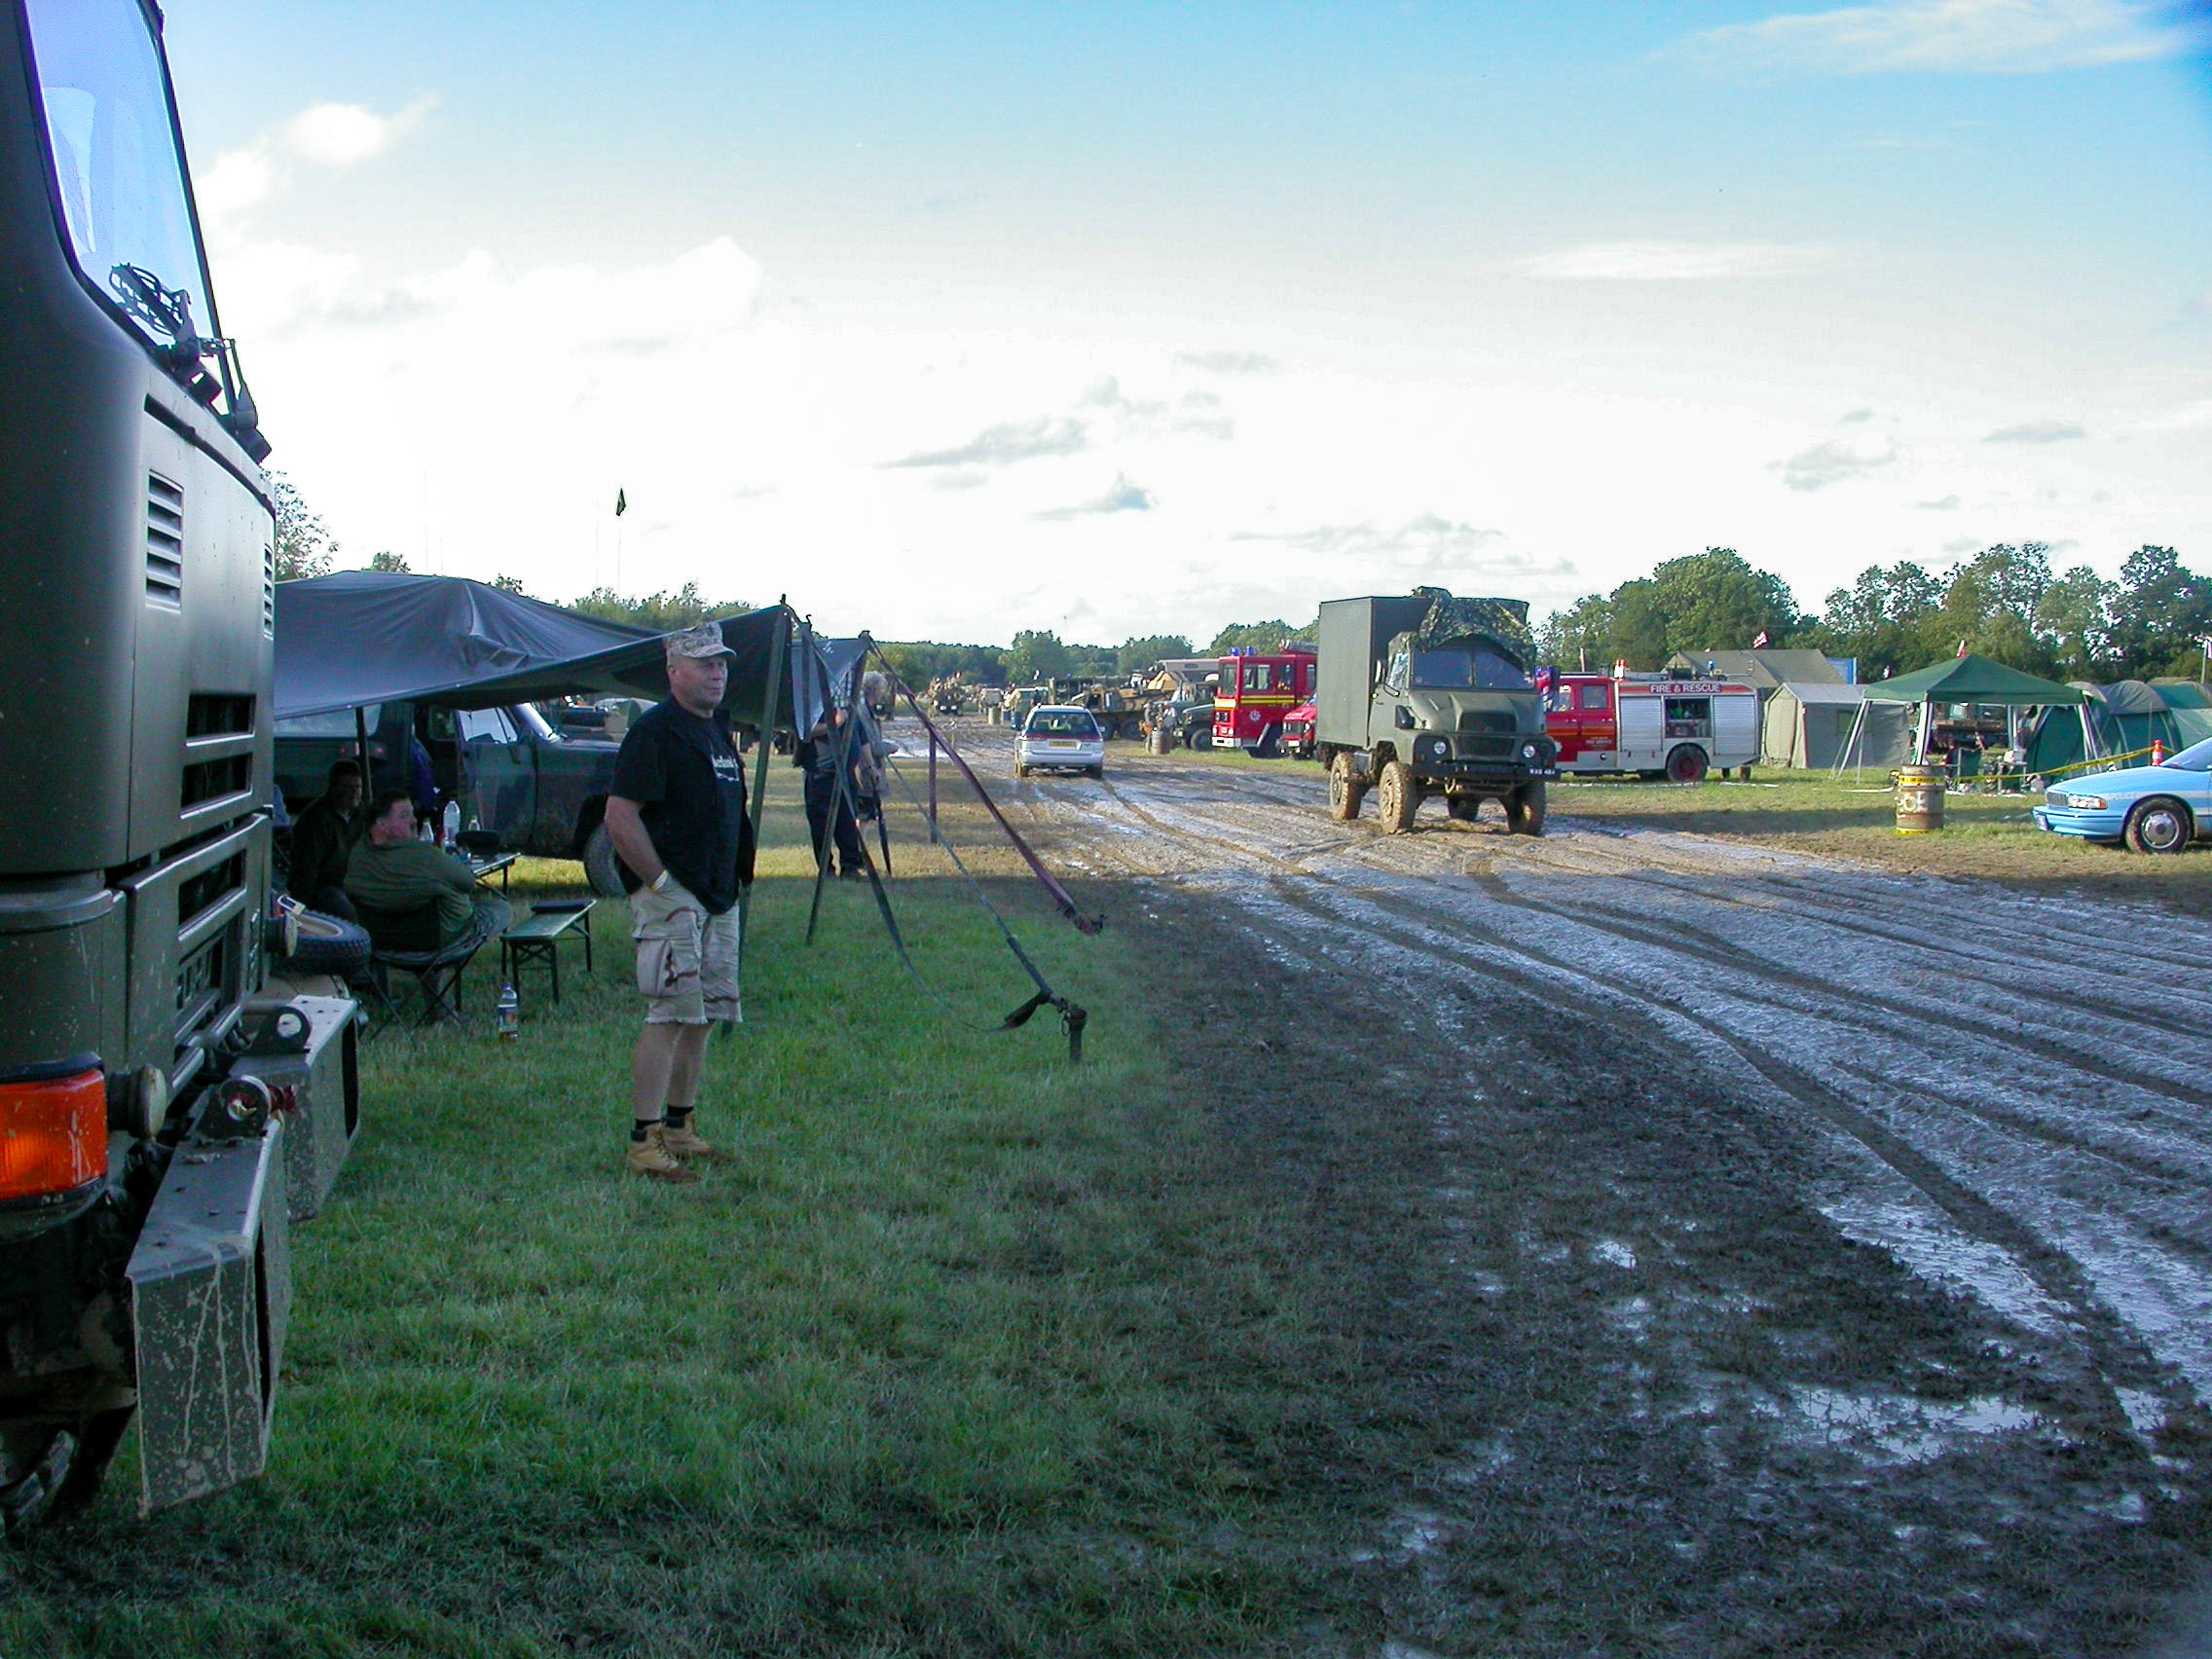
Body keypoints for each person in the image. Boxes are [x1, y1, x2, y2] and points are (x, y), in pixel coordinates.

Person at [602, 621, 754, 1183]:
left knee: (704, 1016)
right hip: (675, 898)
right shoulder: (655, 732)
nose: (717, 673)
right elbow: (620, 816)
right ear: (674, 672)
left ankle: (680, 1126)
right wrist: (661, 884)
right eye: (704, 664)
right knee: (668, 1013)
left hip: (718, 896)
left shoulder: (716, 732)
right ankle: (644, 1141)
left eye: (722, 664)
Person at [344, 788, 511, 947]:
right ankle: (435, 971)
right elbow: (467, 882)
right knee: (501, 907)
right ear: (382, 825)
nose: (414, 821)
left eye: (411, 814)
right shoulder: (424, 855)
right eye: (404, 816)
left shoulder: (358, 855)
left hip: (382, 942)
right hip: (438, 940)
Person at [794, 705, 868, 879]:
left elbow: (863, 739)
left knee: (848, 821)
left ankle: (850, 867)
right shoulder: (813, 706)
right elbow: (805, 730)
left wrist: (870, 766)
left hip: (846, 775)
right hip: (820, 772)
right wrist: (833, 724)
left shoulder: (850, 710)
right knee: (821, 823)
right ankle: (826, 868)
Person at [286, 759, 363, 918]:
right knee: (347, 911)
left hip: (355, 882)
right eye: (348, 787)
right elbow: (306, 868)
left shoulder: (361, 814)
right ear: (333, 788)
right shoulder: (316, 819)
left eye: (358, 787)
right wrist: (300, 910)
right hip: (325, 887)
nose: (354, 792)